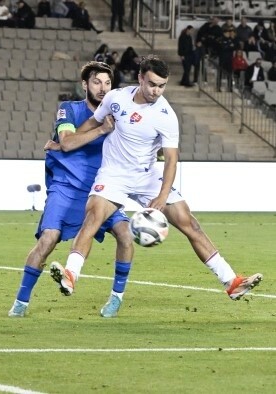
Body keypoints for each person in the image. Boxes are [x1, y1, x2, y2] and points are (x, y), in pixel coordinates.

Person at [47, 55, 262, 316]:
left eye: (161, 86)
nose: (156, 91)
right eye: (152, 84)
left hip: (147, 175)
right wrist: (67, 142)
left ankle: (232, 282)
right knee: (92, 218)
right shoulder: (116, 98)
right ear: (140, 78)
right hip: (114, 174)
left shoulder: (166, 115)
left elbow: (171, 159)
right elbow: (93, 123)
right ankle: (71, 274)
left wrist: (161, 197)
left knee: (189, 222)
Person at [8, 61, 133, 318]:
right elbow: (66, 143)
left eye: (108, 83)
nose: (103, 88)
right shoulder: (69, 109)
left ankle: (116, 298)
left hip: (100, 189)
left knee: (125, 234)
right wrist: (100, 130)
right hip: (66, 187)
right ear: (85, 85)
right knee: (48, 239)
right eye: (97, 82)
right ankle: (21, 302)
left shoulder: (117, 117)